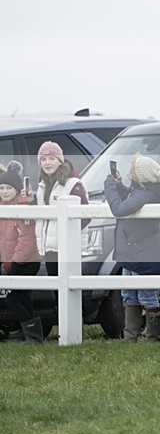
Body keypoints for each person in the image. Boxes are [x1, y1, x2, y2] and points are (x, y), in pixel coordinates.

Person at [104, 155, 160, 343]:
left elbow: (119, 209)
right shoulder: (145, 191)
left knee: (146, 295)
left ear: (142, 175)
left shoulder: (146, 194)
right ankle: (131, 337)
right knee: (129, 294)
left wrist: (110, 187)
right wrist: (119, 186)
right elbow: (131, 199)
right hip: (133, 250)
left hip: (142, 251)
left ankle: (152, 338)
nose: (129, 173)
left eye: (133, 170)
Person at [0, 162, 44, 344]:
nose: (4, 191)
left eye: (8, 188)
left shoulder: (23, 209)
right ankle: (33, 335)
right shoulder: (3, 207)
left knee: (13, 297)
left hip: (25, 262)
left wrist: (14, 263)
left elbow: (27, 240)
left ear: (17, 189)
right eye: (1, 187)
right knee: (22, 297)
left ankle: (33, 336)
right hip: (10, 260)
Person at [34, 141, 90, 276]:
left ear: (60, 161)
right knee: (56, 289)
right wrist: (31, 201)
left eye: (51, 158)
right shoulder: (42, 185)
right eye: (43, 159)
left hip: (67, 247)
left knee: (69, 289)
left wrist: (66, 234)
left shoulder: (73, 184)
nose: (47, 163)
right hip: (49, 247)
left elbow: (85, 216)